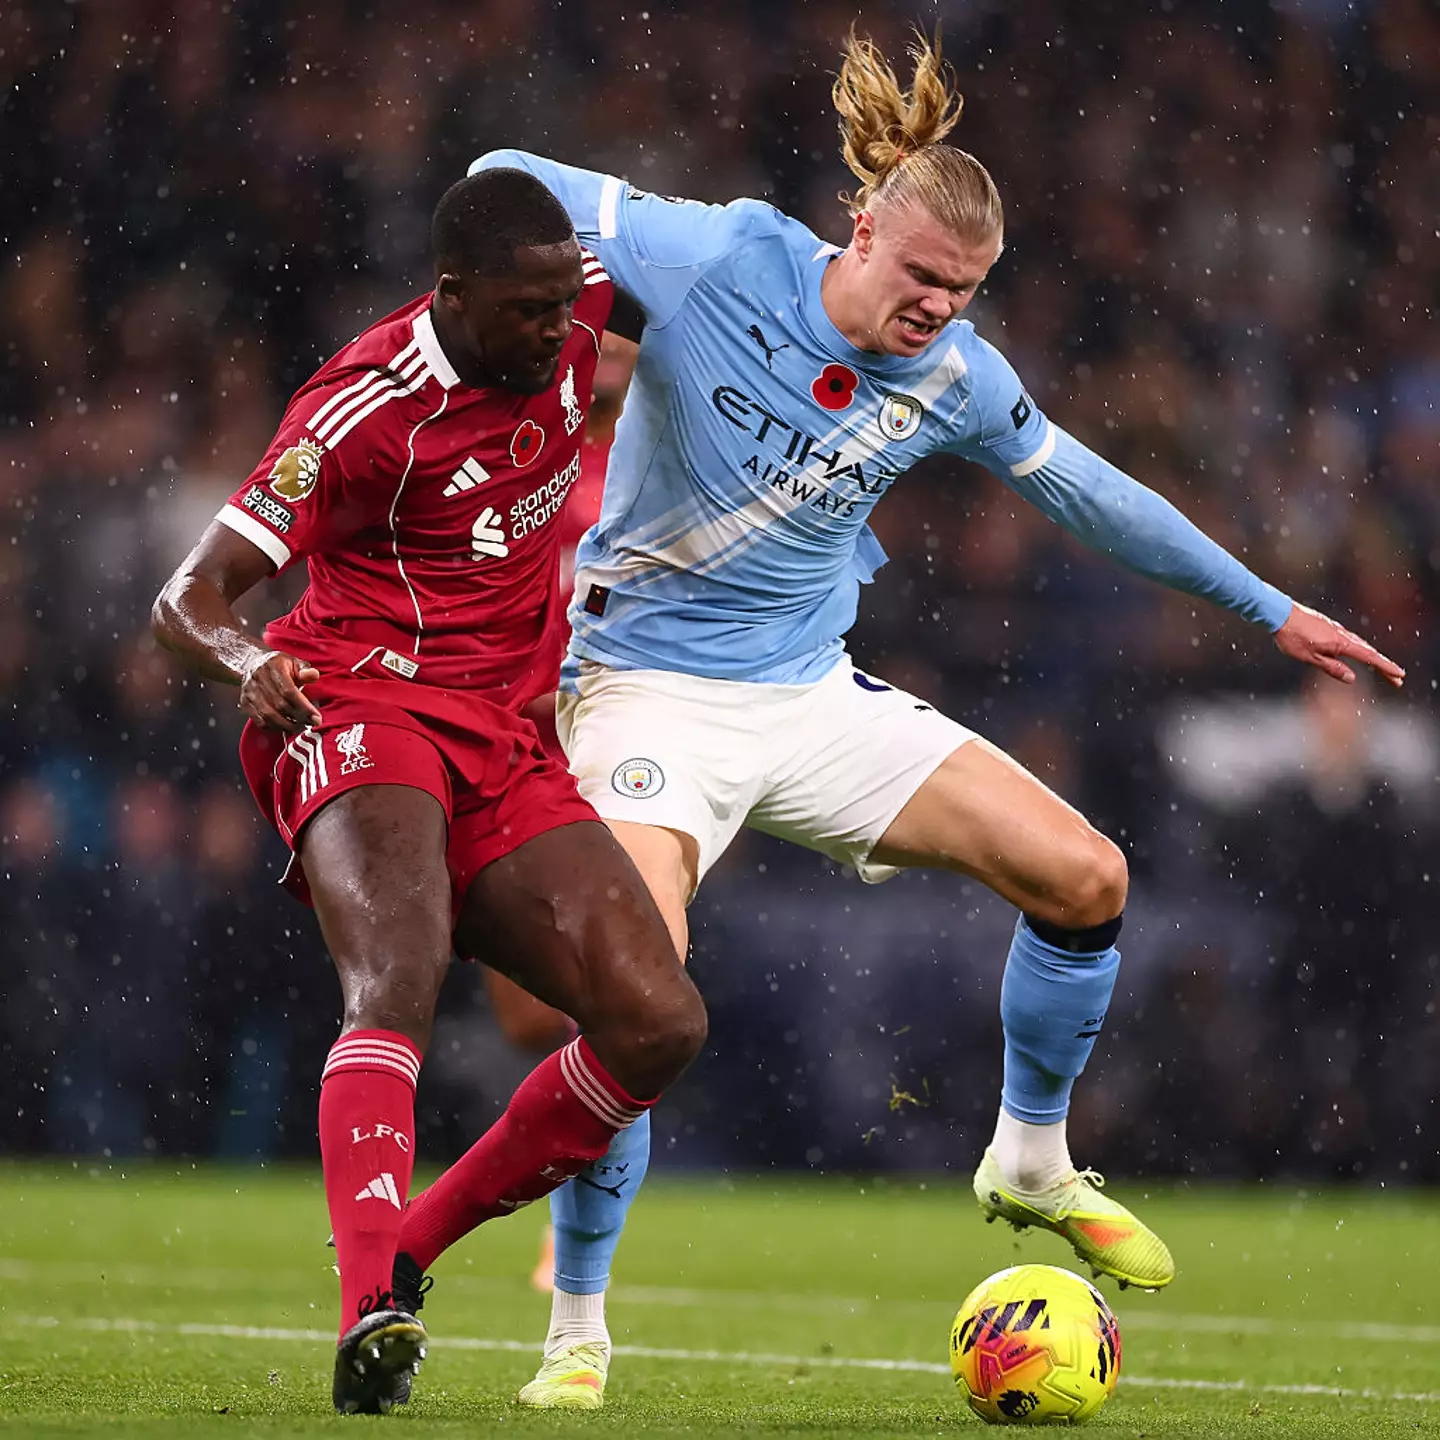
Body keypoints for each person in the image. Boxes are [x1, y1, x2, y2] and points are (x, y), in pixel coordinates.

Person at [455, 29, 1405, 1408]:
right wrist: (566, 307)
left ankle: (1029, 1153)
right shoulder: (721, 256)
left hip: (810, 694)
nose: (938, 312)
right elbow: (498, 172)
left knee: (1087, 878)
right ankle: (579, 1330)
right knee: (633, 1002)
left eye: (963, 293)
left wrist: (1266, 607)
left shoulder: (956, 376)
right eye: (921, 281)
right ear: (860, 232)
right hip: (647, 688)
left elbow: (1092, 496)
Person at [151, 167, 705, 1415]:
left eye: (569, 305)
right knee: (400, 968)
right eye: (524, 311)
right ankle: (369, 1311)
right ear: (451, 296)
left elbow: (729, 282)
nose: (557, 331)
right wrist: (250, 664)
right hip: (359, 699)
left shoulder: (574, 307)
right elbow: (186, 600)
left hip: (509, 734)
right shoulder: (360, 409)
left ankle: (409, 1248)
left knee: (659, 1022)